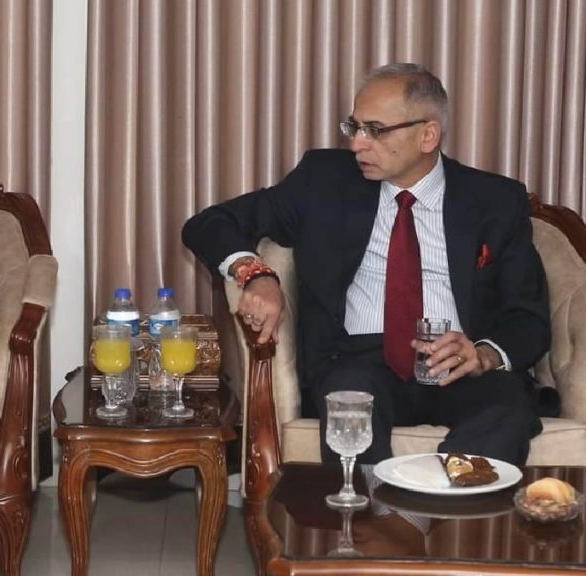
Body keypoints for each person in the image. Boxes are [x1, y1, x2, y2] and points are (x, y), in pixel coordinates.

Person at [182, 63, 549, 466]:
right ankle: (367, 507)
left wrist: (483, 354)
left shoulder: (495, 201)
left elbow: (528, 316)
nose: (358, 144)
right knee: (349, 401)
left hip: (458, 364)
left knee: (507, 408)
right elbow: (211, 223)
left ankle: (449, 500)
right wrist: (255, 273)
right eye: (354, 127)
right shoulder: (323, 181)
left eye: (376, 130)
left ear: (428, 135)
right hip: (358, 362)